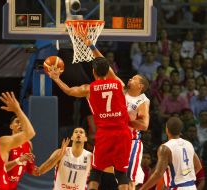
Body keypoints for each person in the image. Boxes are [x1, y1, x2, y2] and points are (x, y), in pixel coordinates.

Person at [47, 48, 132, 189]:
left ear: (93, 72)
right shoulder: (119, 84)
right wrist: (92, 47)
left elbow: (68, 91)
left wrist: (56, 78)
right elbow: (108, 68)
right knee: (121, 173)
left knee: (96, 172)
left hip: (105, 133)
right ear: (108, 71)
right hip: (123, 133)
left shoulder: (89, 89)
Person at [81, 37, 150, 190]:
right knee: (107, 174)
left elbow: (144, 125)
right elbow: (106, 67)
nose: (130, 79)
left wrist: (123, 120)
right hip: (115, 136)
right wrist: (91, 46)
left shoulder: (142, 101)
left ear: (140, 86)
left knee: (129, 180)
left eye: (134, 79)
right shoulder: (120, 87)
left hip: (131, 140)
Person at [140, 117, 202, 190]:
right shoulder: (188, 144)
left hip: (177, 187)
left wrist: (143, 188)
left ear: (167, 129)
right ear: (180, 130)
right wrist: (185, 178)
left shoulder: (165, 148)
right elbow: (198, 166)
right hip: (192, 186)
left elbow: (158, 174)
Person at [5, 115, 39, 190]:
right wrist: (19, 159)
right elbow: (3, 168)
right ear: (11, 126)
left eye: (22, 123)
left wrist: (35, 170)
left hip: (13, 187)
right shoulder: (6, 143)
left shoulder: (28, 144)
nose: (20, 124)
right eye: (17, 122)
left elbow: (29, 168)